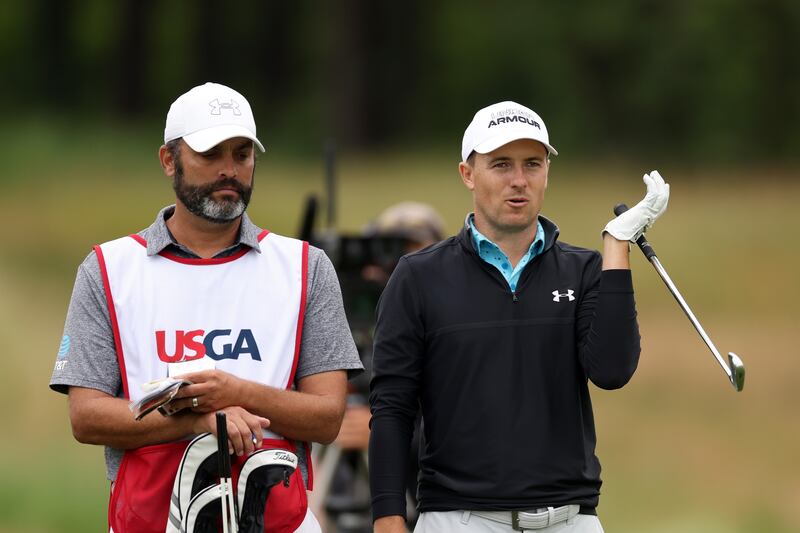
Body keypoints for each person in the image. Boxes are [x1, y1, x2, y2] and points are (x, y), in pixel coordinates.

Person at [49, 82, 363, 533]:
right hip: (150, 520)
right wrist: (198, 421)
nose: (229, 170)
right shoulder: (108, 268)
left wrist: (236, 392)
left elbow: (328, 417)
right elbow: (87, 416)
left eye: (242, 154)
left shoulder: (305, 266)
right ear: (168, 160)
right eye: (210, 155)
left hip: (277, 521)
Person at [368, 101, 669, 533]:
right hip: (457, 518)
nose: (519, 181)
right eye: (501, 165)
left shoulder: (583, 270)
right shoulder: (418, 276)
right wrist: (388, 517)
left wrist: (616, 247)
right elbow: (392, 408)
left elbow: (612, 370)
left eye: (533, 163)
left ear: (547, 171)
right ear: (467, 174)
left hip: (570, 519)